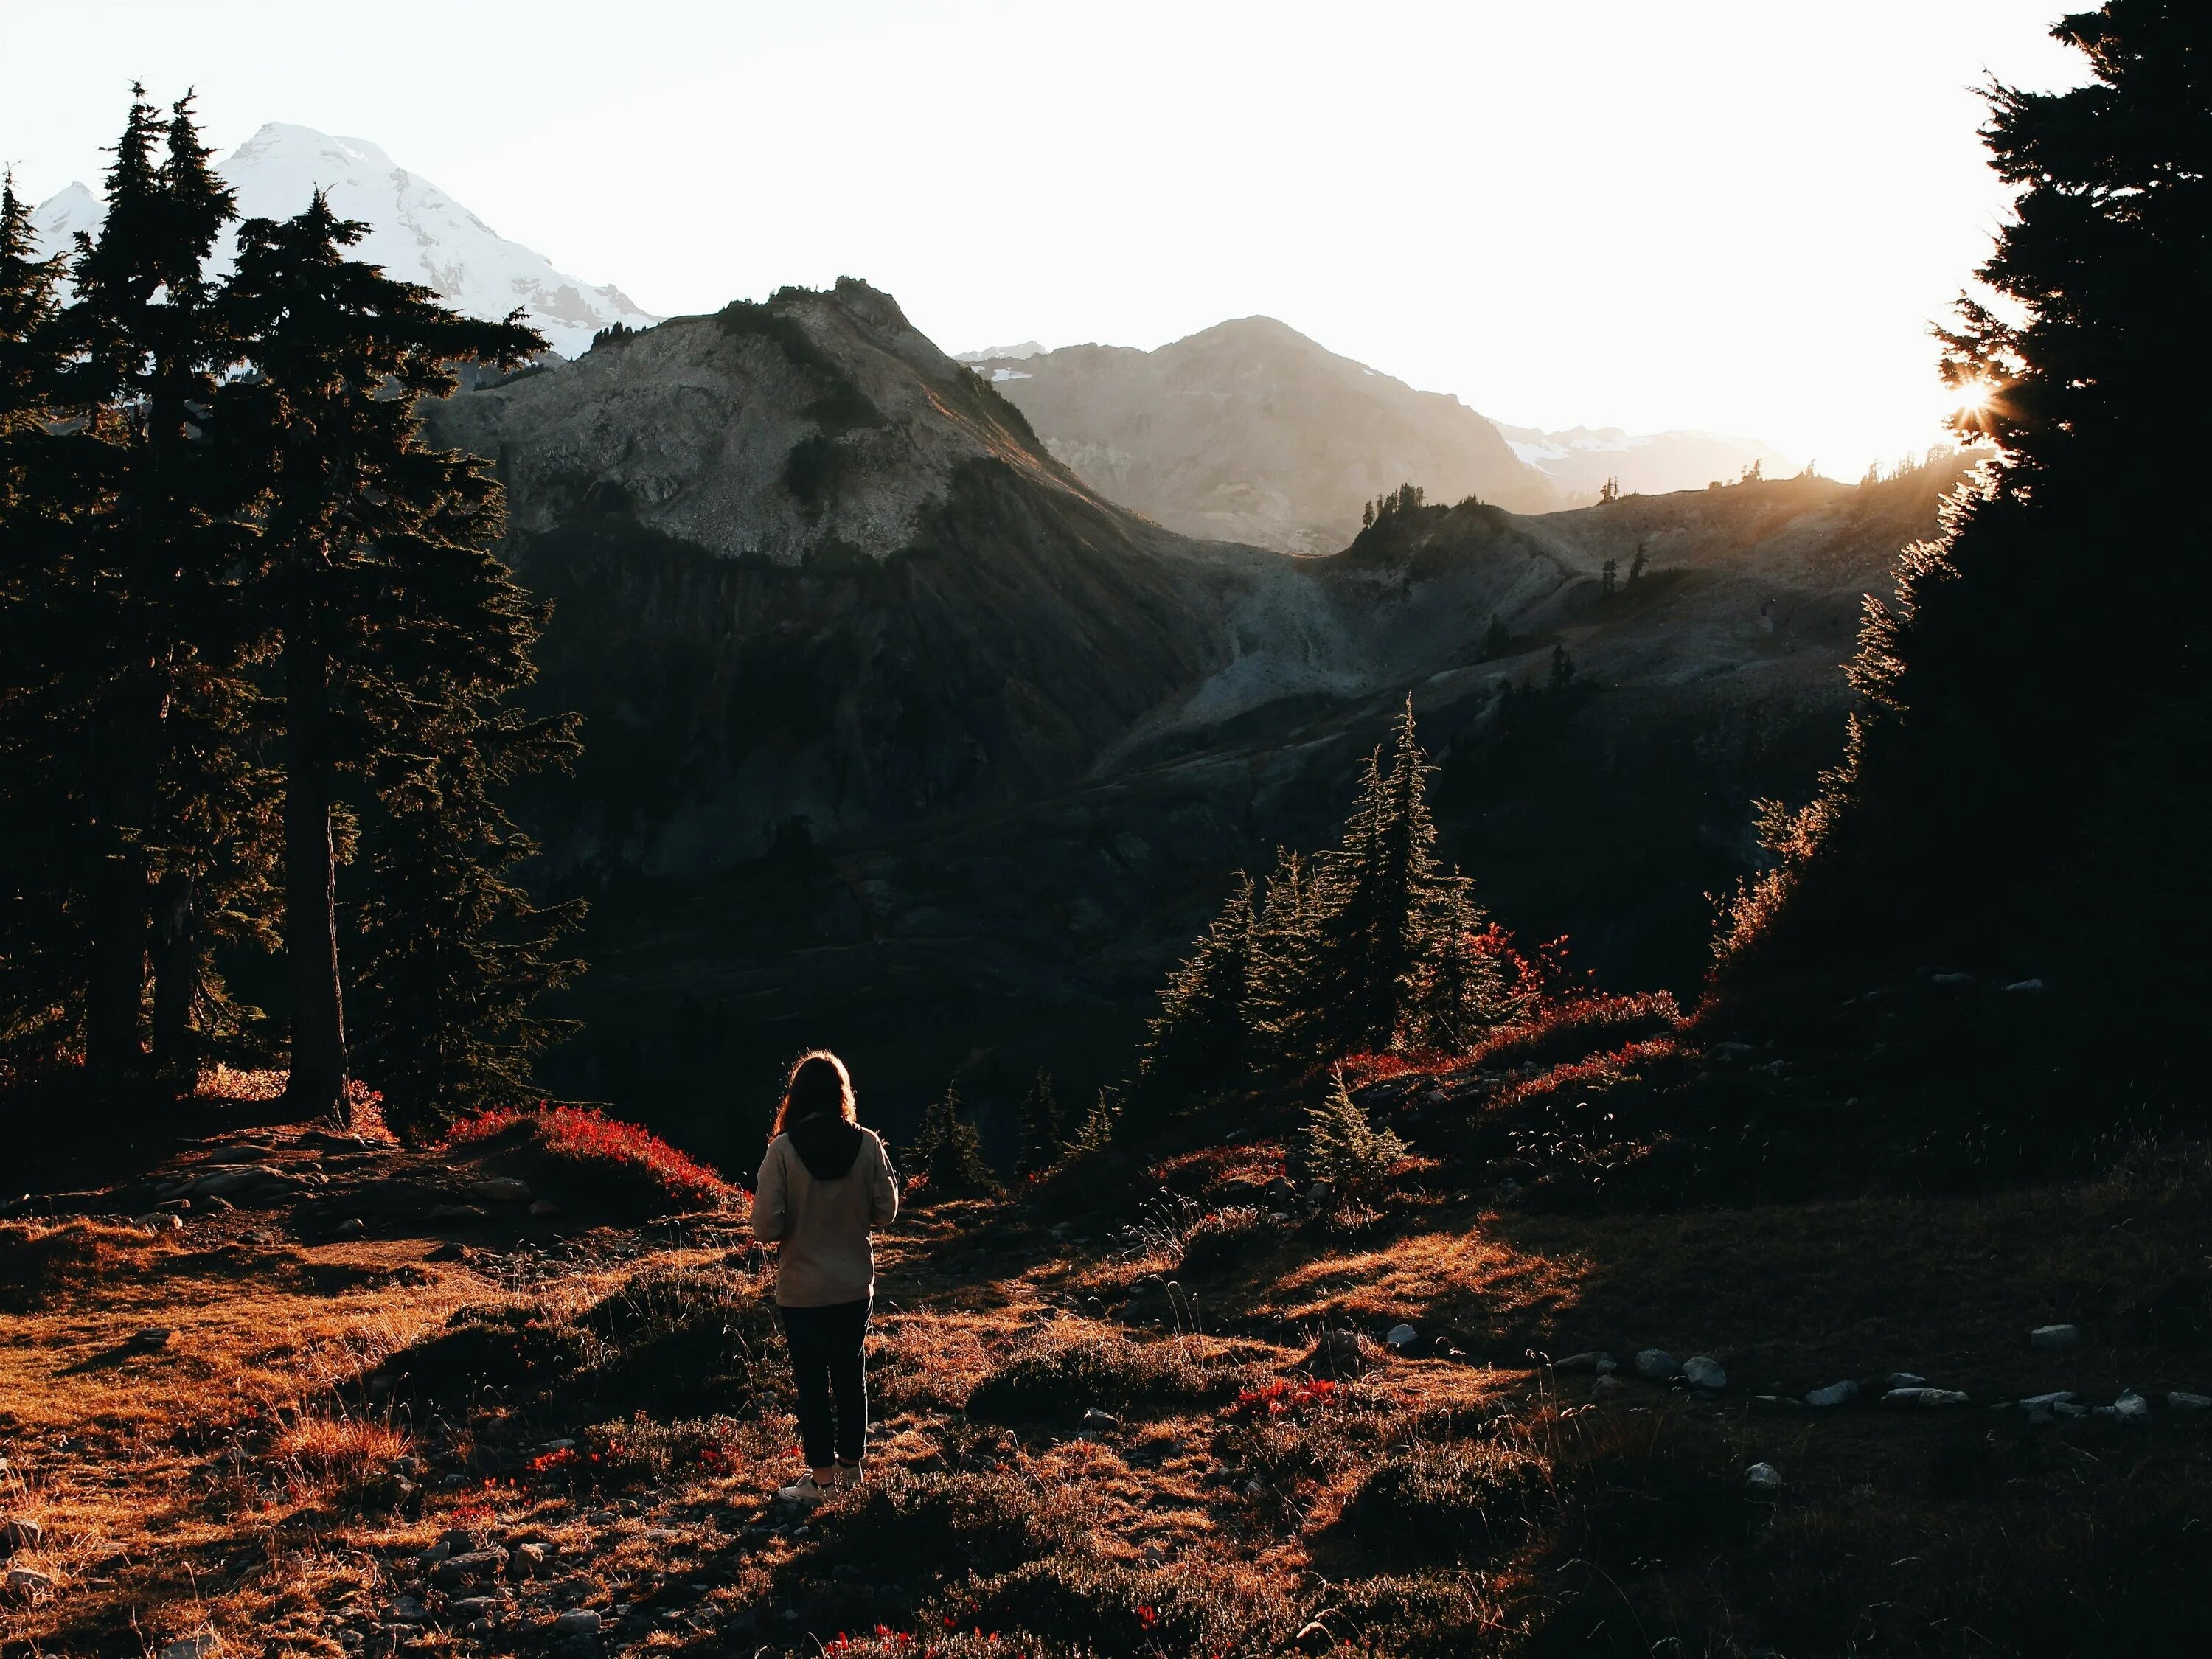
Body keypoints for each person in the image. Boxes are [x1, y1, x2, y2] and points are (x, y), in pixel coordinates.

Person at [752, 1048, 899, 1508]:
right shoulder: (869, 1144)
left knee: (812, 1384)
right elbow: (887, 1212)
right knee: (851, 1376)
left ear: (795, 1096)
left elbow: (764, 1227)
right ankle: (852, 1469)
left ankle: (821, 1480)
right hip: (853, 1284)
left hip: (801, 1289)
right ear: (842, 1094)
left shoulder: (783, 1150)